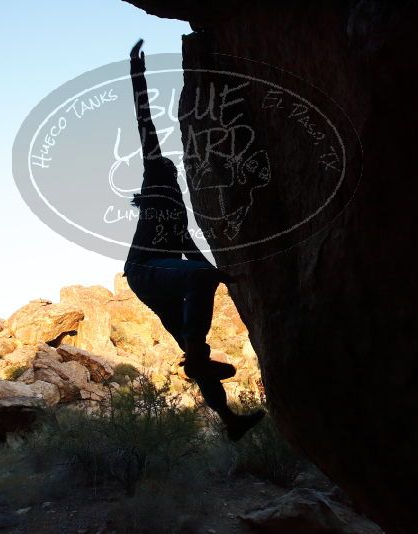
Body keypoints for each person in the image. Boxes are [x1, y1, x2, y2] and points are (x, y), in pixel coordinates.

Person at [123, 40, 264, 441]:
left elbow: (190, 250)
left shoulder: (177, 208)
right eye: (166, 165)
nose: (170, 166)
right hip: (145, 271)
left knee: (193, 346)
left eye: (171, 166)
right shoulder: (154, 179)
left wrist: (218, 273)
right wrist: (138, 74)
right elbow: (144, 123)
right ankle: (199, 357)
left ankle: (228, 420)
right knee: (199, 286)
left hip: (158, 278)